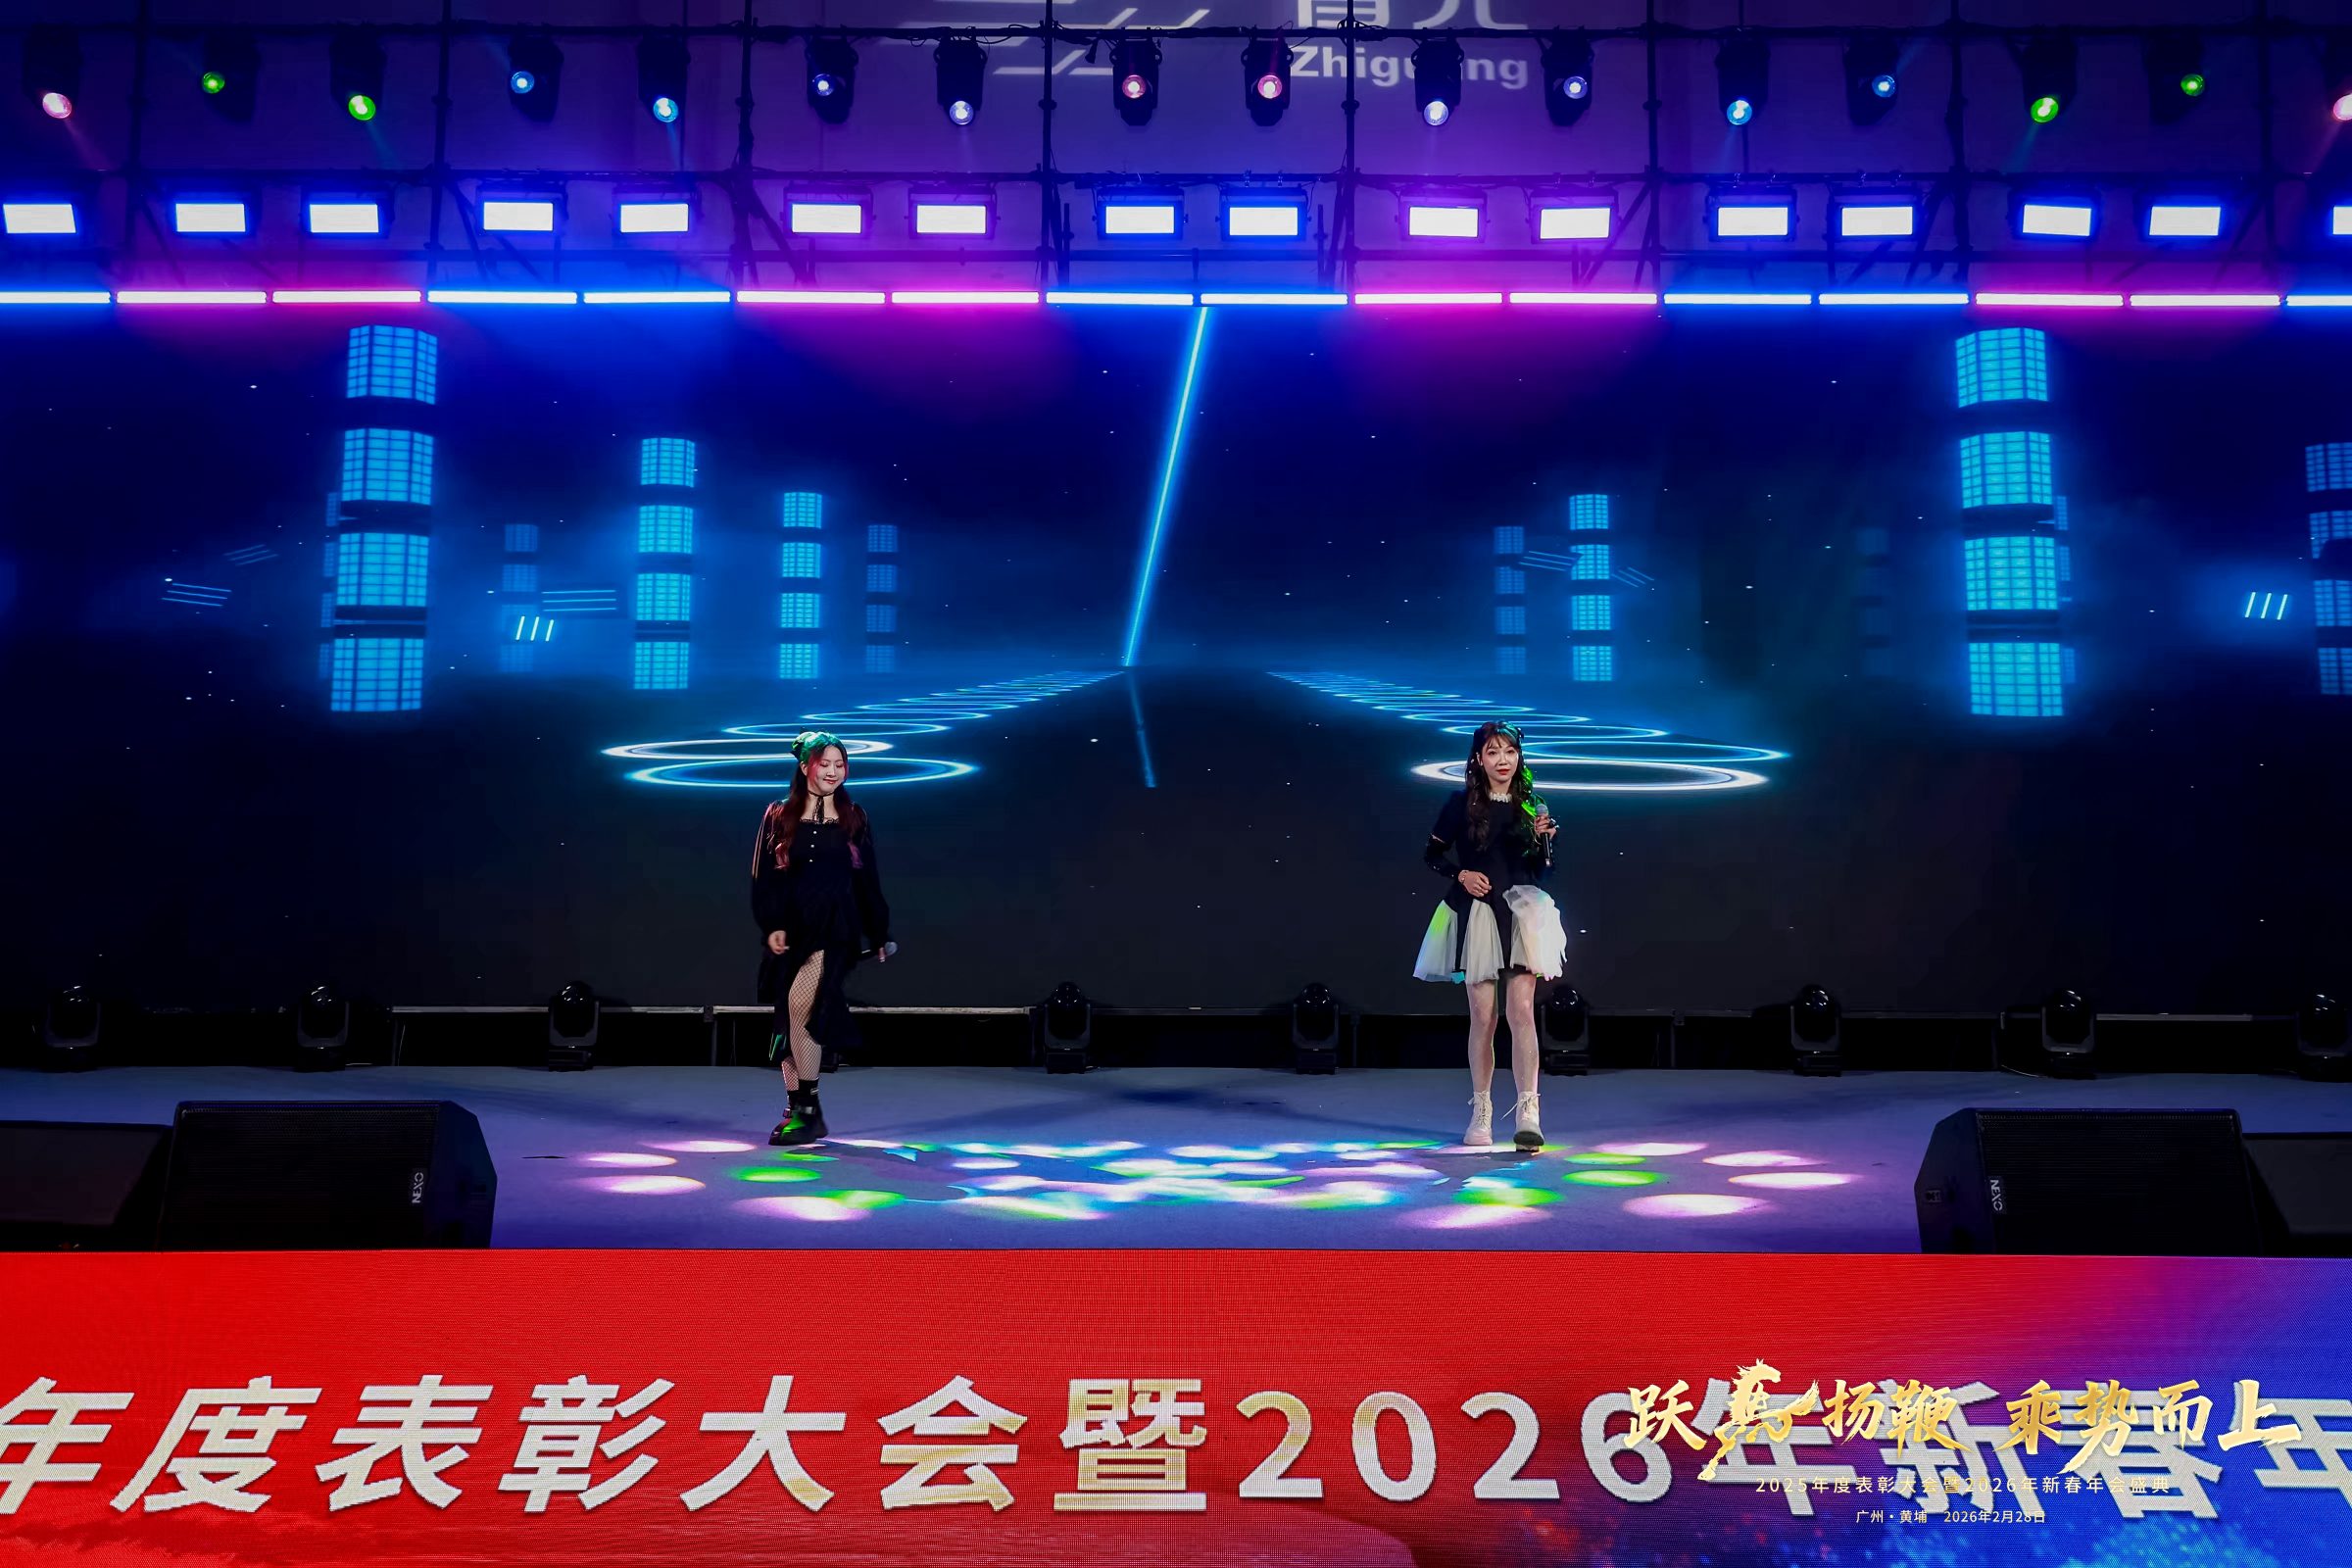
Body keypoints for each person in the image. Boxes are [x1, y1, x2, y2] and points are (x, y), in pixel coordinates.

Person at [1413, 720, 1566, 1151]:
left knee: (1522, 1012)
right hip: (1478, 913)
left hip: (1520, 912)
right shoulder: (1460, 803)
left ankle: (1528, 1113)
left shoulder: (1533, 805)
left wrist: (1546, 843)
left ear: (1520, 757)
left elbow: (1543, 873)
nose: (1503, 760)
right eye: (1493, 752)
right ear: (1479, 758)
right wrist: (1461, 873)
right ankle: (1481, 1111)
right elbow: (1432, 853)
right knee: (1484, 1016)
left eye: (1510, 752)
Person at [751, 731, 894, 1145]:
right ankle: (796, 1105)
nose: (833, 771)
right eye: (825, 763)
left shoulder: (854, 817)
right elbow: (764, 878)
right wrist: (772, 925)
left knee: (803, 1005)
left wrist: (879, 931)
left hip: (835, 927)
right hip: (793, 928)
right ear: (805, 766)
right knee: (787, 1016)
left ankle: (810, 1110)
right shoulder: (778, 814)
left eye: (840, 764)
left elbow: (867, 879)